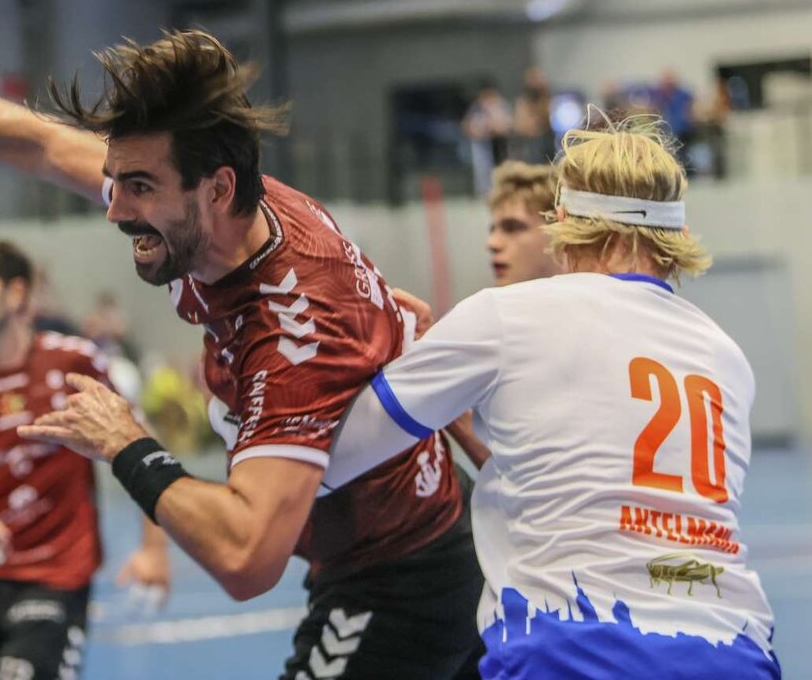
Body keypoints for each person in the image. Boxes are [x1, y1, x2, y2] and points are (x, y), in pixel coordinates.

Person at [0, 32, 484, 679]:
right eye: (115, 181)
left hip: (402, 576)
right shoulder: (210, 209)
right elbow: (35, 143)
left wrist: (128, 445)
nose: (115, 209)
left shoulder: (292, 332)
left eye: (139, 188)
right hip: (382, 542)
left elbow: (246, 558)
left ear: (218, 189)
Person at [321, 116, 780, 679]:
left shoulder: (508, 315)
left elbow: (331, 457)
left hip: (574, 647)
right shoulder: (726, 356)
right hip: (735, 649)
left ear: (566, 225)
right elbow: (586, 488)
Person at [0, 237, 168, 680]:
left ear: (16, 293)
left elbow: (142, 447)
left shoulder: (73, 363)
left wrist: (153, 550)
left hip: (55, 577)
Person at [448, 161, 563, 470]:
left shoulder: (584, 330)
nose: (493, 243)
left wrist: (449, 407)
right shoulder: (503, 322)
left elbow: (532, 478)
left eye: (513, 228)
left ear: (561, 231)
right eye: (494, 229)